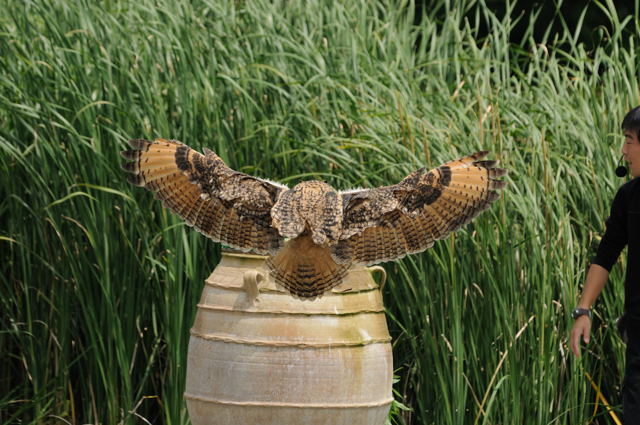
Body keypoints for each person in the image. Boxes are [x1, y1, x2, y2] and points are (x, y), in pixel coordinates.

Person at [570, 105, 640, 423]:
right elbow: (606, 255)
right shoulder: (628, 197)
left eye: (629, 140)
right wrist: (583, 310)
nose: (623, 151)